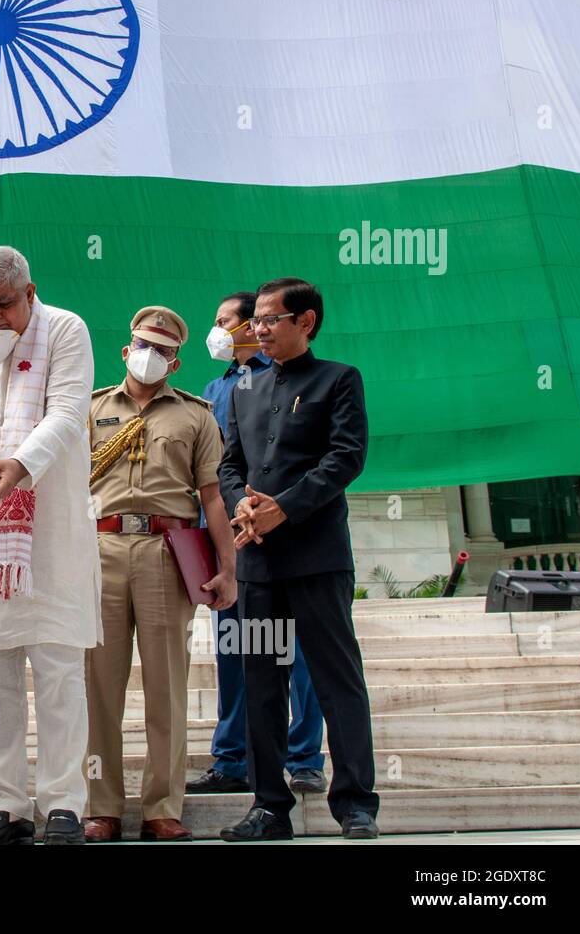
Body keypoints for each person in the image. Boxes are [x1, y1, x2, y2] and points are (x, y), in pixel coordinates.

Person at [0, 246, 100, 846]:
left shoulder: (66, 329)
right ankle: (7, 803)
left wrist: (22, 465)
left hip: (48, 532)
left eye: (4, 304)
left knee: (58, 675)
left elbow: (67, 411)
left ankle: (64, 806)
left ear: (31, 292)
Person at [218, 278, 380, 841]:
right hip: (258, 565)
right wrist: (243, 505)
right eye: (254, 321)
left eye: (268, 320)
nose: (257, 329)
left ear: (305, 321)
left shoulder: (338, 380)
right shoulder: (243, 391)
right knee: (261, 681)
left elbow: (345, 458)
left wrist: (282, 509)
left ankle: (356, 802)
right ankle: (268, 806)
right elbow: (229, 465)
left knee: (337, 680)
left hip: (316, 560)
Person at [83, 307, 237, 843]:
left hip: (167, 551)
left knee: (166, 685)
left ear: (175, 362)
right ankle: (100, 805)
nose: (151, 356)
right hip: (99, 548)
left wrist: (228, 568)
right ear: (126, 351)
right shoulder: (92, 407)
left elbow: (213, 498)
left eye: (164, 351)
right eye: (144, 346)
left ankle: (162, 807)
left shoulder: (196, 416)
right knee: (97, 684)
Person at [188, 292, 326, 796]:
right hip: (229, 536)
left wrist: (273, 509)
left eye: (224, 321)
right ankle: (232, 759)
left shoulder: (285, 379)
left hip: (284, 531)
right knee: (235, 647)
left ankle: (305, 757)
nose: (217, 329)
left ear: (254, 324)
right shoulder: (214, 388)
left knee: (297, 650)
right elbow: (216, 464)